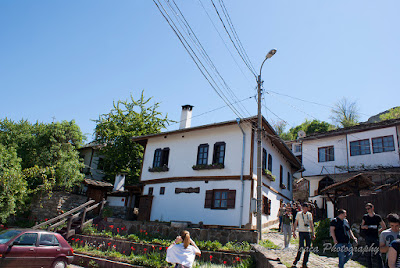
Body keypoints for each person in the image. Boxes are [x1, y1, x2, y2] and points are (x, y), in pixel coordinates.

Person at [361, 203, 386, 268]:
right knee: (368, 253)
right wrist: (365, 227)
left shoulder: (377, 217)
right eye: (366, 209)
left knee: (378, 254)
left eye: (368, 208)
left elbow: (384, 226)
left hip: (375, 237)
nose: (367, 210)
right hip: (368, 236)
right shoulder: (365, 217)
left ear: (372, 208)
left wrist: (378, 231)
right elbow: (362, 226)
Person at [292, 203, 315, 268]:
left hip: (307, 232)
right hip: (301, 232)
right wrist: (294, 231)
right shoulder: (299, 214)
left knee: (308, 248)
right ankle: (296, 261)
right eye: (304, 208)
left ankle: (304, 263)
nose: (305, 209)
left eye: (306, 208)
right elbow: (296, 222)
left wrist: (313, 233)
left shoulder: (309, 214)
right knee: (301, 247)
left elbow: (311, 224)